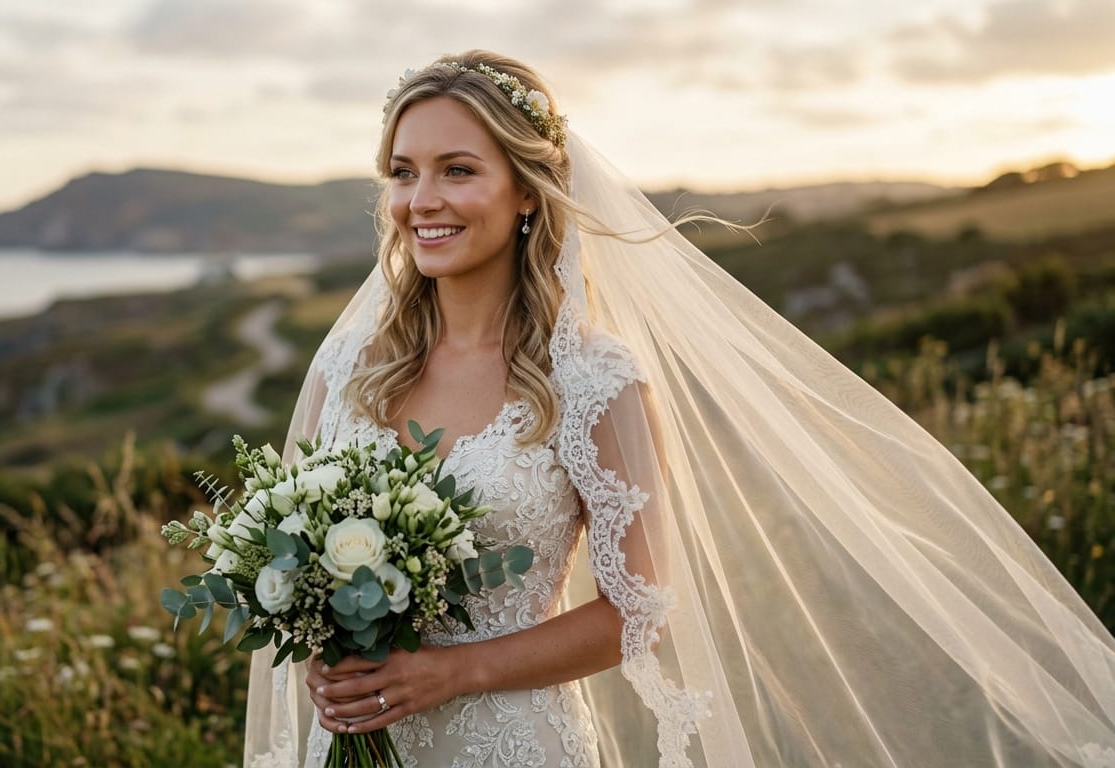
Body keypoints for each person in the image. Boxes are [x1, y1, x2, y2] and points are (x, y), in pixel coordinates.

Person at [243, 50, 1115, 767]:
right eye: (402, 173)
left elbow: (640, 608)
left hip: (506, 744)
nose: (421, 200)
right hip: (349, 741)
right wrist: (326, 647)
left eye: (457, 170)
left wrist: (453, 672)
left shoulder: (592, 379)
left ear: (526, 191)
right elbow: (291, 559)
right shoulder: (350, 367)